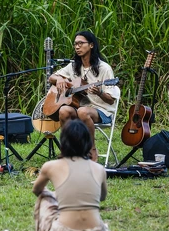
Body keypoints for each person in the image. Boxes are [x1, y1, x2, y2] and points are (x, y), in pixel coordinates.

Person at [31, 120, 115, 231]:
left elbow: (36, 190)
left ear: (63, 142)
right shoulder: (99, 169)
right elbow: (102, 197)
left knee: (45, 196)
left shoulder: (50, 166)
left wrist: (55, 194)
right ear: (88, 143)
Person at [49, 30, 119, 161]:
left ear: (91, 45)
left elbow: (110, 100)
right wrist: (59, 79)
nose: (77, 47)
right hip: (81, 106)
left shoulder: (104, 68)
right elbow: (51, 77)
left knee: (82, 112)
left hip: (102, 111)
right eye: (75, 44)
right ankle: (68, 150)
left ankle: (91, 149)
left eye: (81, 43)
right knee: (64, 110)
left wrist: (100, 92)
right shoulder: (74, 66)